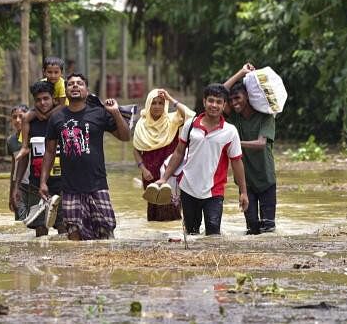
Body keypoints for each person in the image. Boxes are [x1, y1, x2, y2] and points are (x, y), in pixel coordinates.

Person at [39, 73, 131, 240]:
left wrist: (115, 113)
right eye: (71, 84)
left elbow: (125, 137)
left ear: (86, 91)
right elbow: (50, 152)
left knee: (106, 230)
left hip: (97, 184)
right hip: (69, 187)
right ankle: (77, 266)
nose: (75, 86)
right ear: (65, 91)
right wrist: (43, 181)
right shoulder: (56, 118)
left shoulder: (99, 114)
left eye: (79, 83)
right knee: (74, 232)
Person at [156, 84, 249, 236]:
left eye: (219, 102)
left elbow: (237, 162)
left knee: (213, 233)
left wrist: (243, 192)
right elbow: (179, 152)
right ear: (204, 101)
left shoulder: (230, 131)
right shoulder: (190, 125)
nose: (214, 105)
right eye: (211, 101)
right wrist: (164, 178)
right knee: (191, 233)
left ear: (224, 105)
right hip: (188, 187)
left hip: (214, 191)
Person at [224, 64, 277, 234]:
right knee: (252, 230)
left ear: (247, 96)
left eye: (237, 98)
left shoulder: (266, 116)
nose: (234, 103)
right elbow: (220, 91)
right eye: (231, 100)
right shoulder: (234, 118)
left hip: (266, 179)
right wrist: (241, 72)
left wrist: (236, 143)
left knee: (269, 229)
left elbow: (261, 144)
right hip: (245, 183)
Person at [12, 81, 65, 237]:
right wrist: (16, 187)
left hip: (62, 182)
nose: (42, 103)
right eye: (38, 100)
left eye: (46, 98)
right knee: (40, 228)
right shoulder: (29, 123)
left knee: (64, 227)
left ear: (54, 99)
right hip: (36, 184)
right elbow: (24, 156)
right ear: (33, 102)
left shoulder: (63, 119)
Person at [133, 88, 195, 221]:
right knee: (154, 210)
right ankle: (156, 237)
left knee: (173, 208)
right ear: (148, 104)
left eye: (161, 103)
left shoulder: (173, 119)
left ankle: (173, 237)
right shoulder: (141, 125)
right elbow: (136, 149)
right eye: (153, 103)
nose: (157, 106)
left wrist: (170, 98)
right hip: (149, 173)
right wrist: (143, 169)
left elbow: (191, 116)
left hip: (171, 170)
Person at [16, 56, 67, 160]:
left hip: (59, 107)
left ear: (61, 73)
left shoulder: (62, 85)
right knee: (25, 118)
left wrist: (46, 115)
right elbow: (37, 99)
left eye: (56, 72)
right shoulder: (42, 82)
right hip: (42, 109)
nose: (53, 75)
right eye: (50, 72)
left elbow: (62, 105)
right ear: (44, 72)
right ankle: (24, 146)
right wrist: (39, 114)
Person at [7, 104, 29, 220]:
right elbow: (13, 168)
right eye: (14, 117)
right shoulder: (11, 141)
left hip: (35, 185)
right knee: (21, 222)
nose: (18, 120)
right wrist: (11, 193)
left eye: (21, 116)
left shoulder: (35, 136)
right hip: (20, 186)